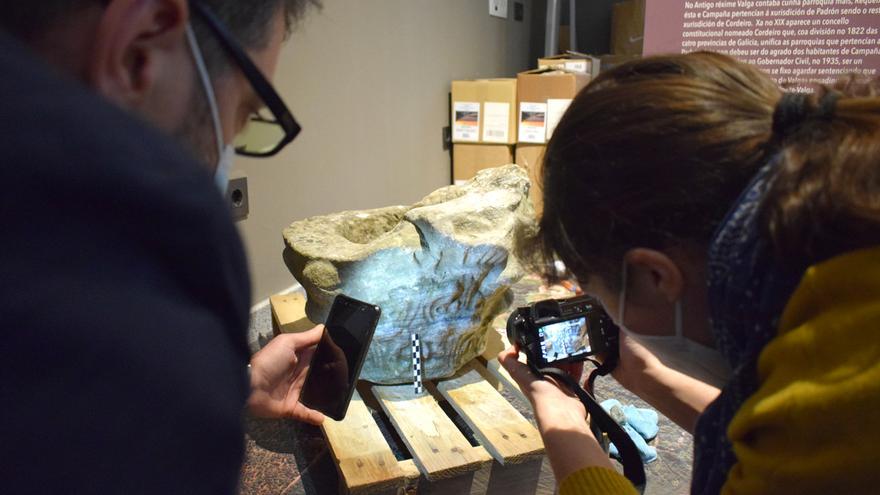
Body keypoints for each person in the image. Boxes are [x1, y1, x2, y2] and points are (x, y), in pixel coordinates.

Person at [500, 52, 880, 494]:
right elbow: (771, 435)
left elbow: (794, 451)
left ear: (654, 276)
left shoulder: (839, 401)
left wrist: (561, 418)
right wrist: (650, 378)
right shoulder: (840, 278)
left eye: (600, 294)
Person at [0, 1, 325, 493]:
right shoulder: (147, 315)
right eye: (242, 111)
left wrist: (236, 385)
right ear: (139, 49)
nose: (227, 146)